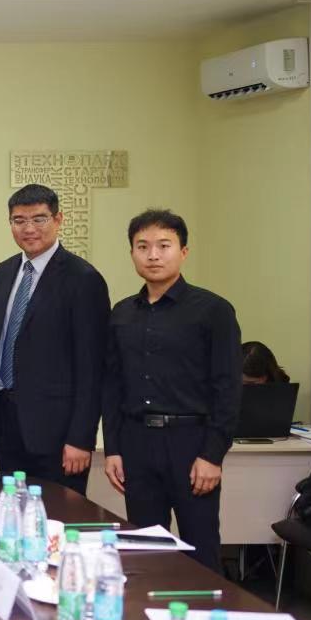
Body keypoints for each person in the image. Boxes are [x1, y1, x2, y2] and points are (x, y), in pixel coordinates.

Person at [102, 209, 241, 570]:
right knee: (145, 549)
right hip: (136, 441)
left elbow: (227, 388)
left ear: (183, 251)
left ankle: (204, 609)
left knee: (201, 548)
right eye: (142, 246)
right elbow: (112, 386)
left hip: (191, 443)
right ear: (132, 253)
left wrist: (213, 455)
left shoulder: (213, 310)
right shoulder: (121, 313)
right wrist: (113, 448)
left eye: (164, 246)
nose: (153, 255)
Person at [0, 183, 110, 495]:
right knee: (13, 514)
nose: (29, 229)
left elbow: (92, 367)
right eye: (19, 220)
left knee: (59, 517)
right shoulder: (4, 272)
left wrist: (81, 438)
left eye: (39, 219)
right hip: (6, 427)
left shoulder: (83, 279)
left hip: (57, 435)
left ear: (58, 219)